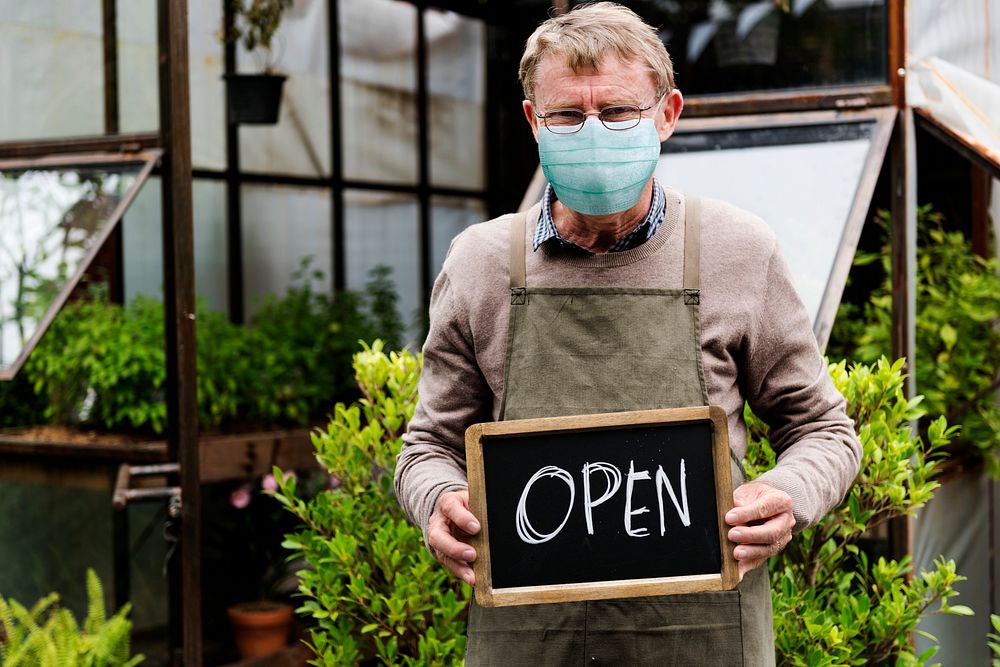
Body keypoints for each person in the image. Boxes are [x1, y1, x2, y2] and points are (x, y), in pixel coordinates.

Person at [394, 3, 862, 664]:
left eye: (618, 113)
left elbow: (823, 430)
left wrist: (789, 493)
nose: (594, 132)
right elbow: (427, 445)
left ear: (667, 114)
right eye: (567, 115)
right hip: (531, 642)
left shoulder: (737, 250)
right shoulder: (480, 264)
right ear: (534, 121)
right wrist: (437, 499)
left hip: (703, 639)